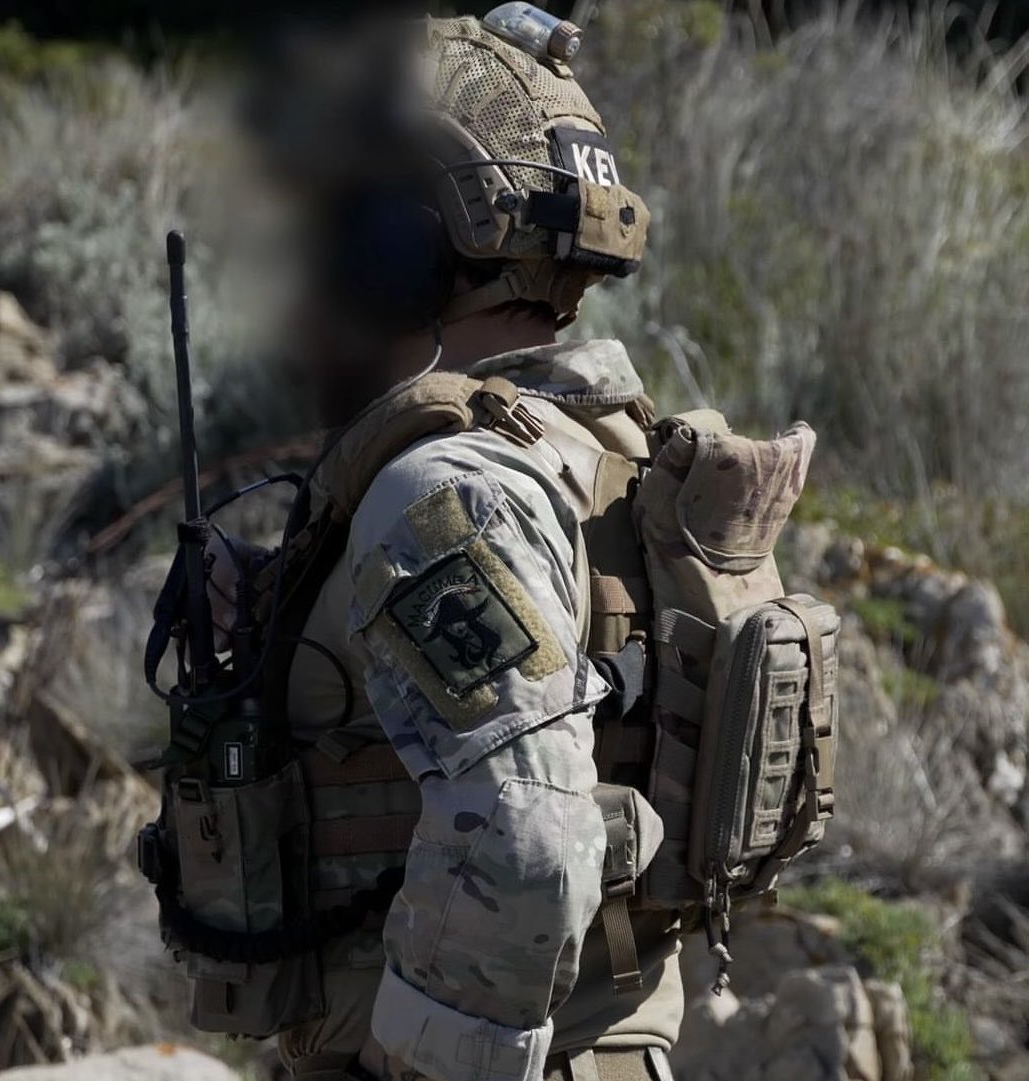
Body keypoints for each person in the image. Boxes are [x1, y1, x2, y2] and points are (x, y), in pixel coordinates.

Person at [203, 10, 681, 1081]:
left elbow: (521, 843)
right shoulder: (607, 447)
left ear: (399, 248)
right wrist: (298, 611)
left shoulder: (441, 492)